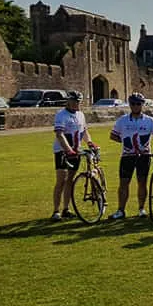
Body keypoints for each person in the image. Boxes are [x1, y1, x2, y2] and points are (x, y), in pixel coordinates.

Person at [108, 92, 153, 220]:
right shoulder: (122, 120)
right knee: (123, 183)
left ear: (142, 105)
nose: (136, 106)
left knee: (142, 183)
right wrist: (127, 142)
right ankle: (121, 210)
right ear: (129, 105)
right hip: (128, 156)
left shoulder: (150, 121)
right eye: (133, 104)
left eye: (138, 104)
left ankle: (141, 209)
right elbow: (113, 135)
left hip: (144, 156)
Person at [51, 90, 97, 221]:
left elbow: (84, 131)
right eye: (74, 101)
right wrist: (68, 149)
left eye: (78, 102)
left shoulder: (81, 115)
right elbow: (60, 134)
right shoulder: (61, 115)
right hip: (62, 152)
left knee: (70, 179)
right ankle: (56, 210)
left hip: (76, 151)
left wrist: (89, 142)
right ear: (68, 101)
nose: (76, 104)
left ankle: (66, 208)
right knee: (61, 180)